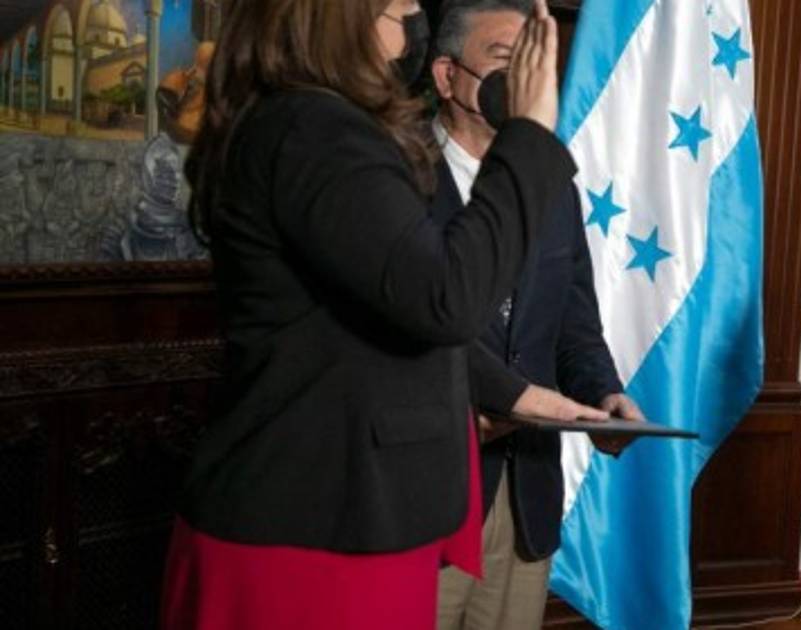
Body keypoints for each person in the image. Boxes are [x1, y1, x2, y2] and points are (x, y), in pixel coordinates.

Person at [159, 1, 609, 628]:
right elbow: (444, 299)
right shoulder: (316, 129)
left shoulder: (314, 123)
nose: (414, 13)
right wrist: (530, 133)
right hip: (312, 530)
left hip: (348, 513)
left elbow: (394, 309)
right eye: (399, 3)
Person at [424, 2, 642, 628]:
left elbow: (575, 323)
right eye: (503, 60)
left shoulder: (552, 186)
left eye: (532, 62)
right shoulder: (398, 175)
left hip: (527, 492)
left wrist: (603, 395)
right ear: (447, 76)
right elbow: (417, 320)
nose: (522, 79)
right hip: (428, 491)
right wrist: (510, 397)